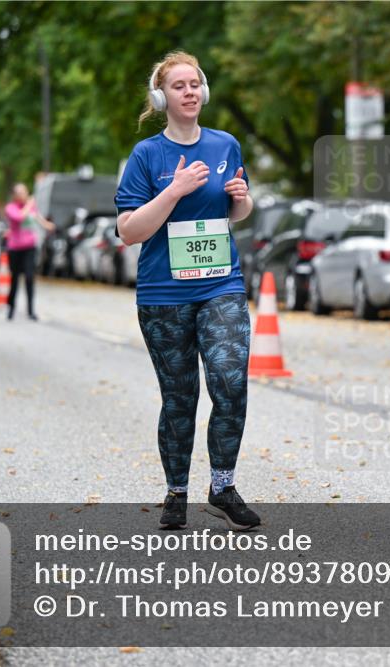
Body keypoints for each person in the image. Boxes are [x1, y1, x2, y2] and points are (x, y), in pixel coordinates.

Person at [115, 50, 258, 531]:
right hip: (164, 295)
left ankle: (223, 484)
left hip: (221, 285)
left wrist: (243, 202)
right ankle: (176, 491)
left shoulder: (225, 145)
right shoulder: (147, 156)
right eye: (179, 85)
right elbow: (129, 231)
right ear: (162, 97)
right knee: (180, 398)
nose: (190, 92)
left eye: (195, 84)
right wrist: (173, 191)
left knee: (230, 381)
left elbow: (235, 212)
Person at [3, 183, 54, 320]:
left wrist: (48, 226)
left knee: (30, 277)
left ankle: (31, 310)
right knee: (14, 279)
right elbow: (19, 217)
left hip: (30, 247)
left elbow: (39, 219)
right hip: (15, 248)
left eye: (24, 192)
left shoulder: (31, 207)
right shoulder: (11, 208)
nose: (23, 195)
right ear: (15, 196)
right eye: (20, 193)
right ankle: (11, 307)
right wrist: (29, 205)